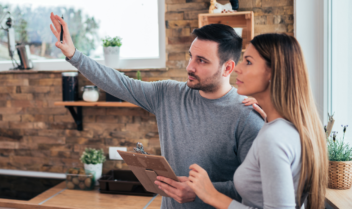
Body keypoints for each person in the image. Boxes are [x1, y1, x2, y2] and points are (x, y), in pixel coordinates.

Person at [49, 12, 264, 209]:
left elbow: (255, 189)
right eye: (191, 56)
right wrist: (74, 55)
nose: (190, 66)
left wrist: (202, 191)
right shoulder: (168, 94)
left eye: (201, 61)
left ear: (228, 68)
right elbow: (119, 83)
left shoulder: (247, 116)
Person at [186, 33, 329, 209]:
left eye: (248, 61)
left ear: (272, 72)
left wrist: (212, 195)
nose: (237, 68)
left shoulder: (274, 138)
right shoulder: (286, 128)